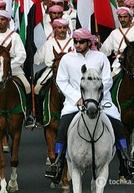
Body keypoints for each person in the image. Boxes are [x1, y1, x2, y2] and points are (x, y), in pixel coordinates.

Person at [45, 28, 134, 184]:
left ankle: (125, 161)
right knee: (62, 128)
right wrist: (77, 98)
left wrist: (95, 98)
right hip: (75, 102)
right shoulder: (67, 59)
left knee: (118, 124)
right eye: (75, 41)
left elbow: (107, 80)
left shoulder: (100, 58)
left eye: (80, 42)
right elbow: (61, 81)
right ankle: (57, 165)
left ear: (89, 42)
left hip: (101, 101)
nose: (77, 44)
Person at [33, 18, 73, 126]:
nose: (62, 30)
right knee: (37, 89)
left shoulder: (73, 42)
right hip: (51, 71)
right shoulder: (48, 43)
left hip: (70, 73)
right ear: (55, 29)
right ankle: (40, 117)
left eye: (64, 28)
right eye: (59, 28)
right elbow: (37, 59)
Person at [100, 7, 134, 76]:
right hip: (118, 65)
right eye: (120, 17)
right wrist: (98, 44)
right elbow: (105, 50)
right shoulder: (114, 33)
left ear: (130, 18)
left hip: (132, 63)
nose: (122, 19)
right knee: (109, 84)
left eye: (125, 17)